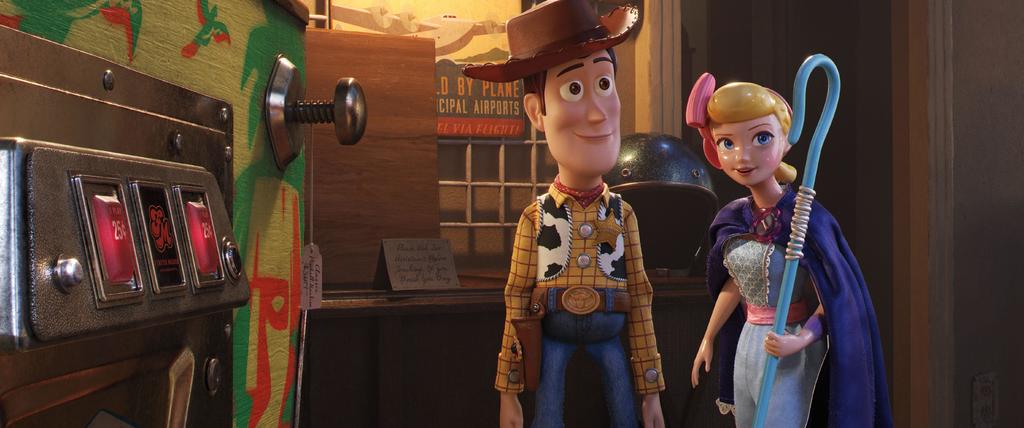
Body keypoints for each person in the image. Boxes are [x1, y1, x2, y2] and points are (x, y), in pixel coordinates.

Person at [463, 1, 664, 427]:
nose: (597, 111)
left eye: (605, 83)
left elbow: (641, 301)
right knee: (547, 413)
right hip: (551, 339)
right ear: (537, 112)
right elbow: (516, 302)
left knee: (624, 412)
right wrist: (509, 391)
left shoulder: (623, 214)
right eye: (574, 89)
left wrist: (651, 392)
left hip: (611, 338)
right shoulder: (536, 218)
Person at [685, 73, 893, 427]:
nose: (743, 155)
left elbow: (834, 298)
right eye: (727, 142)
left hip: (789, 346)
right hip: (748, 345)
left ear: (785, 141)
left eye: (761, 138)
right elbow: (735, 284)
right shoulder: (733, 218)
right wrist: (708, 337)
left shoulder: (807, 220)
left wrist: (801, 340)